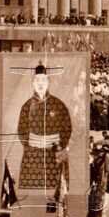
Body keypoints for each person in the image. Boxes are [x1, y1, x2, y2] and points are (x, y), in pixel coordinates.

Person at [17, 63, 73, 192]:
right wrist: (31, 143)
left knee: (55, 191)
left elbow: (67, 127)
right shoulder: (27, 106)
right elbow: (21, 129)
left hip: (54, 152)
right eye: (37, 80)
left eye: (43, 80)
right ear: (33, 83)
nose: (40, 83)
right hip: (33, 153)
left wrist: (60, 145)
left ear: (48, 82)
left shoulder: (58, 105)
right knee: (32, 191)